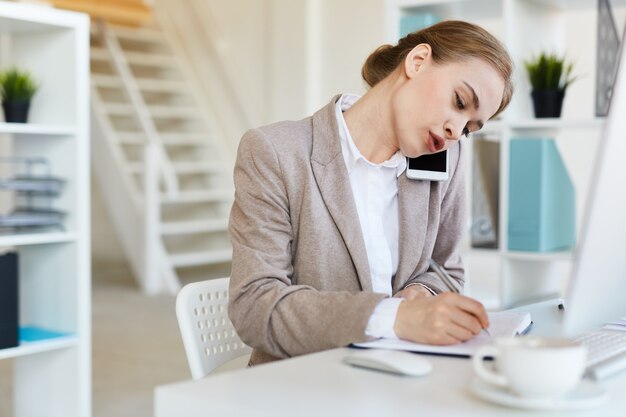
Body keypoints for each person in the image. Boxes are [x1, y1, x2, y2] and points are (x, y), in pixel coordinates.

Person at [228, 20, 514, 366]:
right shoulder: (276, 152)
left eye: (470, 128)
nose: (455, 130)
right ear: (417, 62)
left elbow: (447, 271)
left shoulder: (446, 160)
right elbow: (255, 305)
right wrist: (395, 318)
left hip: (403, 377)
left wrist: (419, 295)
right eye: (458, 101)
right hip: (305, 383)